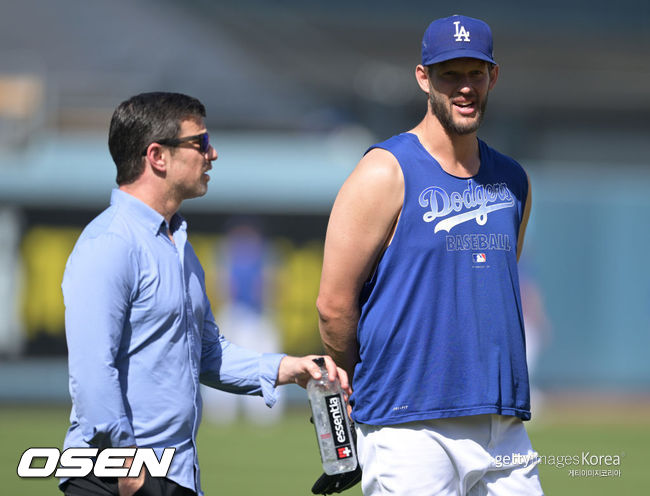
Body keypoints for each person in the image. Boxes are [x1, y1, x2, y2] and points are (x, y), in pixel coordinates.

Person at [59, 92, 350, 496]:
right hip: (117, 477)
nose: (213, 153)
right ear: (157, 156)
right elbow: (92, 372)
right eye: (200, 142)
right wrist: (128, 471)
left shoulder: (178, 245)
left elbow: (208, 353)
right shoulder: (109, 243)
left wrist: (289, 368)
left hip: (173, 474)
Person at [317, 15, 543, 495]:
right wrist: (366, 385)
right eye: (449, 75)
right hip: (410, 428)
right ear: (424, 78)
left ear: (493, 77)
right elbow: (334, 306)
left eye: (475, 74)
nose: (465, 88)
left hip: (503, 425)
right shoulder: (384, 171)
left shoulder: (513, 180)